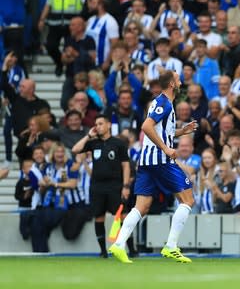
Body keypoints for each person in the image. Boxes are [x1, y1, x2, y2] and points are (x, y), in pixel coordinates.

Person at [109, 71, 198, 263]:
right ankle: (171, 246)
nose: (181, 81)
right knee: (188, 199)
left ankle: (118, 244)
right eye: (177, 78)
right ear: (172, 85)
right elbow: (146, 126)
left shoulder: (163, 103)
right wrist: (166, 148)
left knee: (142, 206)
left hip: (147, 161)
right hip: (160, 159)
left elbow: (161, 130)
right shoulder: (164, 102)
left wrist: (182, 131)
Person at [71, 114, 132, 258]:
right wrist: (88, 135)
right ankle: (103, 251)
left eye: (100, 123)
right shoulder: (93, 143)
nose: (97, 126)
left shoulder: (119, 144)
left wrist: (125, 186)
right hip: (97, 186)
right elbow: (75, 149)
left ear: (109, 125)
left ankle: (131, 249)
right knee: (99, 217)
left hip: (115, 185)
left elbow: (126, 166)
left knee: (123, 216)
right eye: (96, 124)